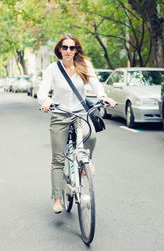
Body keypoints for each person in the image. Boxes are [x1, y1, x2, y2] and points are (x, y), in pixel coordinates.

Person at [37, 33, 116, 214]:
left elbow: (96, 85)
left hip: (80, 113)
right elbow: (43, 91)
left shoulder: (84, 65)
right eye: (65, 47)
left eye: (72, 47)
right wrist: (46, 101)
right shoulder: (53, 69)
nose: (68, 51)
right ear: (59, 49)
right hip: (60, 114)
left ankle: (85, 164)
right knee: (58, 159)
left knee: (92, 136)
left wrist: (103, 97)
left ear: (76, 50)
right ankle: (57, 198)